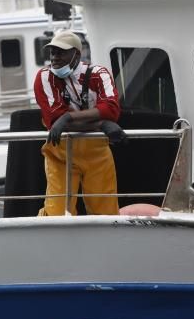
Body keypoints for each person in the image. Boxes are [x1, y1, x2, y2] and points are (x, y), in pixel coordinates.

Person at [34, 30, 126, 216]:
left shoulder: (99, 74)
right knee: (56, 212)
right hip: (61, 151)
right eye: (52, 52)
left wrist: (68, 118)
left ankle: (105, 243)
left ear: (76, 54)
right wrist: (100, 125)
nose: (55, 57)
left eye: (60, 52)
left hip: (97, 151)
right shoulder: (45, 77)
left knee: (105, 211)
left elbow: (111, 109)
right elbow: (54, 119)